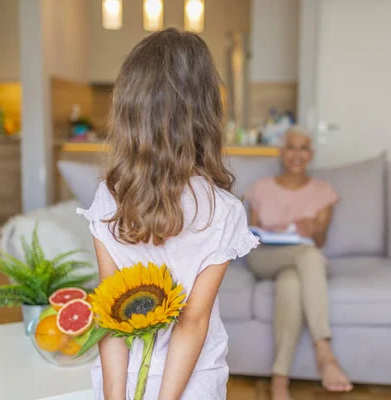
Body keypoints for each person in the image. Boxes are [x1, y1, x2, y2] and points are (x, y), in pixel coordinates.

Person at [77, 29, 259, 400]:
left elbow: (109, 313)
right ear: (206, 110)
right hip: (192, 383)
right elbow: (192, 322)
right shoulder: (223, 211)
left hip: (120, 378)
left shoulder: (108, 197)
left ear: (129, 107)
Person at [245, 127, 353, 399]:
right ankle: (324, 350)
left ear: (311, 154)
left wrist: (313, 228)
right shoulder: (260, 188)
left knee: (291, 283)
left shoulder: (323, 191)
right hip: (265, 257)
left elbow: (320, 240)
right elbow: (251, 236)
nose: (297, 154)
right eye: (291, 147)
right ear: (281, 153)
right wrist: (273, 232)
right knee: (309, 257)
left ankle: (279, 382)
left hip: (302, 258)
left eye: (303, 148)